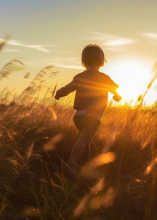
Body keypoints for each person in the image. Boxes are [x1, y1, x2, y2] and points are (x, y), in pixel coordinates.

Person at [55, 44, 122, 176]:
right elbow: (114, 90)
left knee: (86, 143)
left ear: (84, 61)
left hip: (78, 116)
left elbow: (68, 88)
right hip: (93, 117)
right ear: (101, 60)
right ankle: (71, 165)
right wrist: (116, 96)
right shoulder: (104, 78)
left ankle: (88, 169)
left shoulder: (80, 77)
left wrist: (59, 93)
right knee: (84, 141)